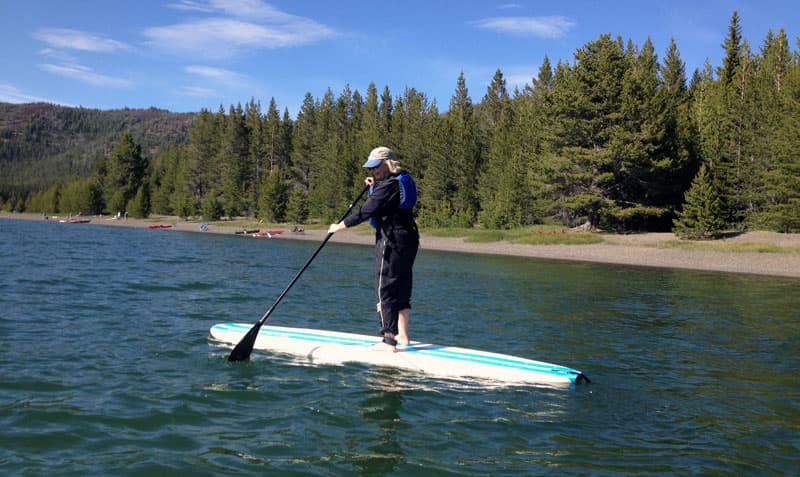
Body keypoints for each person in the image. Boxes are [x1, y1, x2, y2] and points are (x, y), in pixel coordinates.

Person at [328, 146, 420, 352]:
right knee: (402, 285)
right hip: (408, 238)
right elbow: (383, 200)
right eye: (371, 169)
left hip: (392, 240)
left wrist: (339, 226)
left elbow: (367, 210)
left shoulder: (388, 186)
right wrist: (374, 186)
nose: (373, 171)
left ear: (387, 164)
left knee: (385, 286)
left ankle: (389, 340)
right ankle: (403, 336)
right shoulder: (400, 180)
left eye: (377, 167)